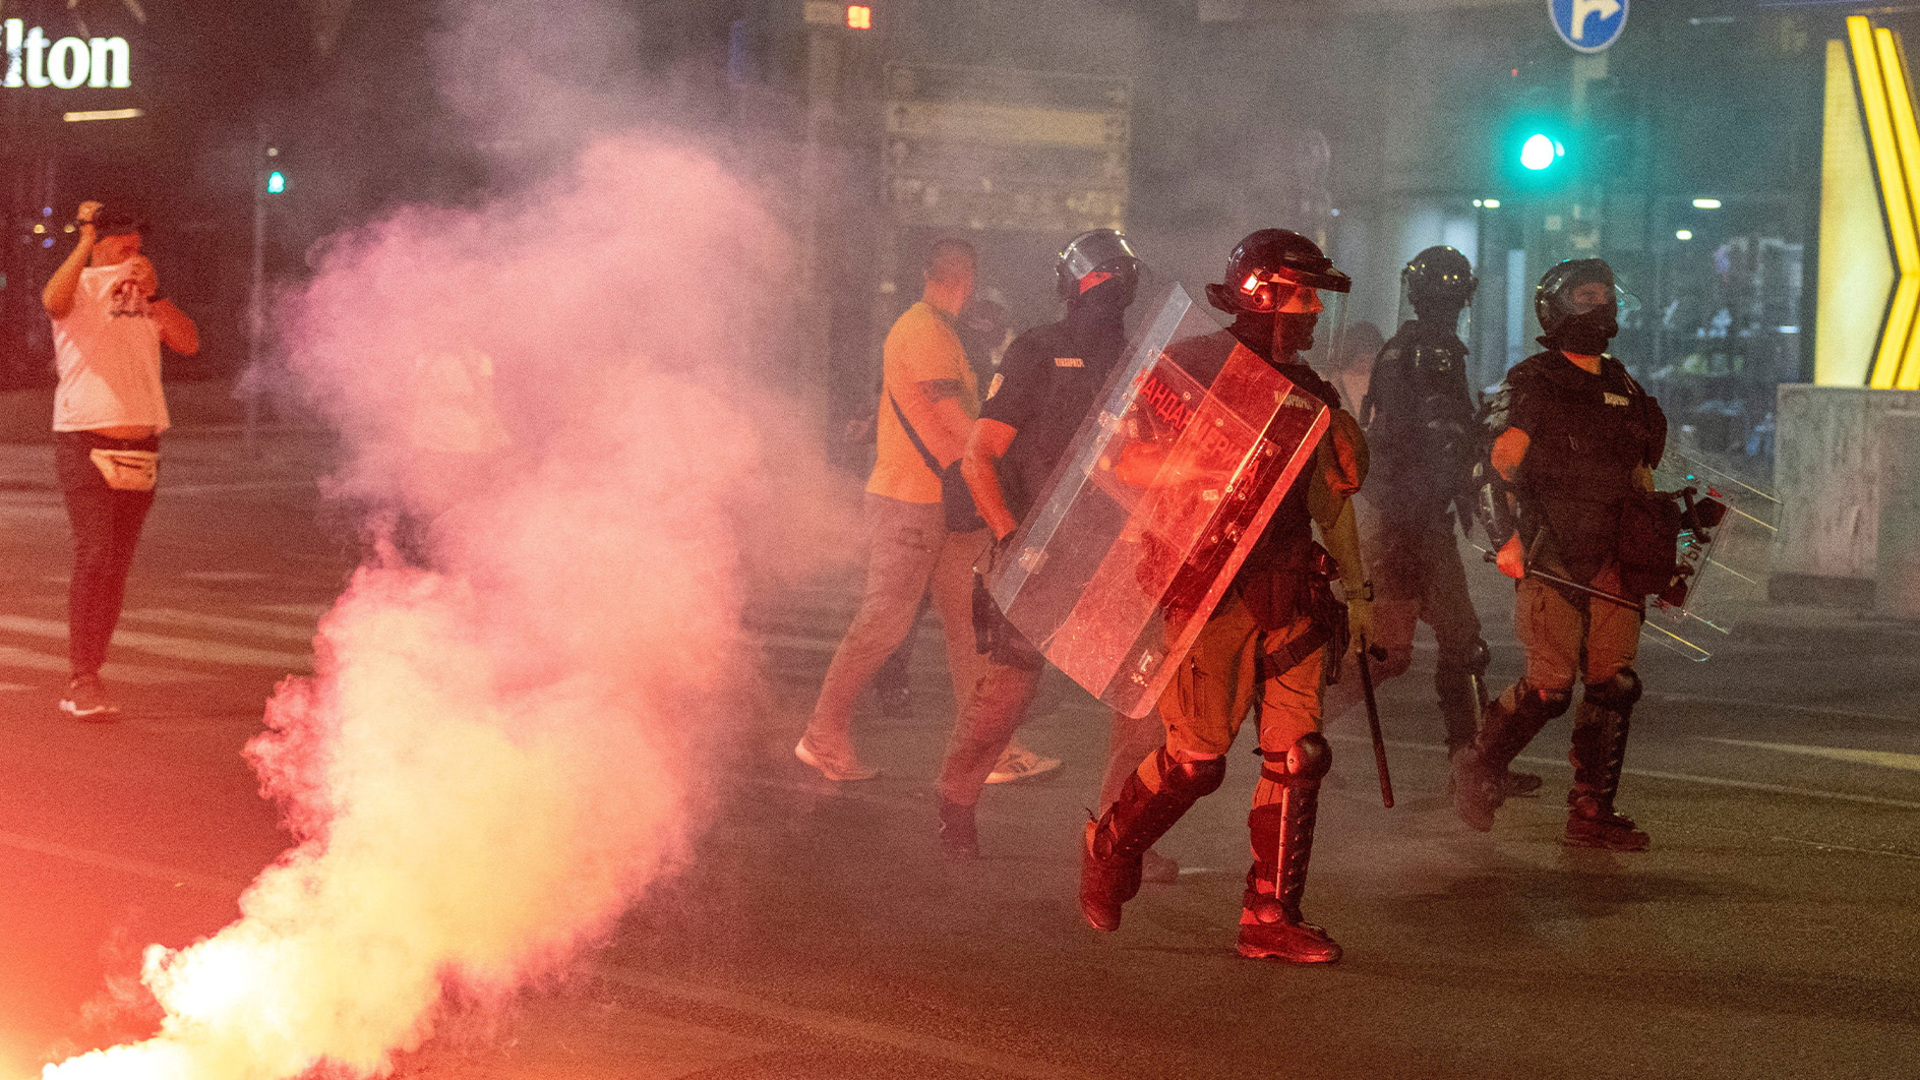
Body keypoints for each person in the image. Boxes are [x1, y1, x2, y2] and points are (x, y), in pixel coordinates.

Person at [1077, 230, 1370, 963]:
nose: (1313, 312)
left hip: (1289, 585)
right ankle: (1112, 845)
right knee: (1197, 761)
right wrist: (1195, 466)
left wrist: (1358, 587)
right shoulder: (1192, 365)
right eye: (1302, 297)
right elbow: (1121, 463)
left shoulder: (1313, 391)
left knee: (1299, 754)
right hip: (1207, 584)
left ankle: (1268, 916)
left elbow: (1332, 499)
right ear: (1261, 294)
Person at [933, 229, 1143, 857]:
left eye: (1120, 277)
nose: (1112, 288)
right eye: (1103, 276)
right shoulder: (1037, 351)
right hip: (1039, 550)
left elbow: (1142, 459)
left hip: (1113, 552)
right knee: (1009, 690)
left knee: (1141, 698)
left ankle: (1120, 831)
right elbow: (979, 456)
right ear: (1078, 284)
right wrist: (1010, 538)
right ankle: (955, 801)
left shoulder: (1138, 361)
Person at [1449, 258, 1668, 851]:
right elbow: (1492, 467)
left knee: (1615, 684)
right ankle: (1478, 763)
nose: (1599, 306)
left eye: (1604, 295)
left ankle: (1593, 809)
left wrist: (1659, 538)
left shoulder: (1623, 384)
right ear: (1556, 309)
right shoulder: (1534, 382)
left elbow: (1640, 473)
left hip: (1614, 557)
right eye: (1584, 297)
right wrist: (1506, 540)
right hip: (1552, 552)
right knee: (1549, 688)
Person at [1329, 248, 1540, 794]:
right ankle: (1297, 727)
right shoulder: (1434, 350)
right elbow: (1443, 439)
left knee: (1436, 645)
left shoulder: (1404, 348)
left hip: (1407, 516)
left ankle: (1469, 765)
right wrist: (1488, 453)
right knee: (1410, 650)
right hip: (1408, 521)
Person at [797, 238, 990, 781]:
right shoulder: (925, 330)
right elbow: (951, 416)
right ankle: (822, 735)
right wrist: (1002, 455)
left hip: (943, 502)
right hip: (911, 501)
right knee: (884, 623)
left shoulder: (934, 329)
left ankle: (989, 748)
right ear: (967, 280)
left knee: (968, 624)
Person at [40, 201, 199, 719]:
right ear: (101, 240)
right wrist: (84, 242)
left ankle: (92, 671)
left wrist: (156, 295)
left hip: (142, 443)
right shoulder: (80, 285)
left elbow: (188, 342)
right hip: (86, 437)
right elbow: (52, 300)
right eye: (122, 238)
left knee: (116, 566)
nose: (133, 246)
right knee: (95, 555)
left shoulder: (149, 292)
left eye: (137, 239)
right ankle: (81, 680)